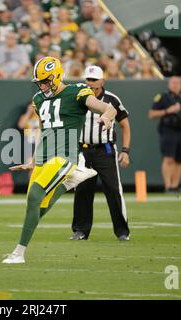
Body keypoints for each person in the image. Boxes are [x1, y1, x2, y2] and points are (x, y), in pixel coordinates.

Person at [3, 56, 117, 264]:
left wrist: (108, 117)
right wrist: (34, 159)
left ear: (57, 76)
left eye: (46, 81)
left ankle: (19, 253)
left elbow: (107, 108)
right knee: (37, 206)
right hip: (45, 155)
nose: (42, 85)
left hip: (64, 154)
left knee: (35, 196)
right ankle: (67, 183)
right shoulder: (39, 99)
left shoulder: (76, 92)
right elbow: (43, 131)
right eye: (40, 82)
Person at [71, 66, 131, 241]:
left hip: (105, 150)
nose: (89, 83)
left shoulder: (112, 99)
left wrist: (125, 150)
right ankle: (80, 231)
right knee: (82, 190)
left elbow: (125, 125)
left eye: (93, 80)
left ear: (102, 81)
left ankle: (122, 231)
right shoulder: (79, 97)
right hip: (83, 150)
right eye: (87, 79)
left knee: (113, 190)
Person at [149, 76, 181, 193]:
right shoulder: (163, 97)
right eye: (173, 83)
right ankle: (168, 186)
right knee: (169, 158)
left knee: (180, 159)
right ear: (169, 84)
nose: (175, 85)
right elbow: (151, 114)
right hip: (169, 131)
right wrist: (168, 110)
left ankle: (175, 186)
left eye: (177, 83)